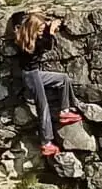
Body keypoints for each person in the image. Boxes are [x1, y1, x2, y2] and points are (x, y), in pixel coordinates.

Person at [11, 11, 83, 158]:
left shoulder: (21, 34)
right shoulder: (36, 44)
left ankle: (64, 111)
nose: (42, 32)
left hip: (34, 74)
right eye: (40, 30)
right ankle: (46, 143)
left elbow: (16, 17)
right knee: (43, 107)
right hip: (32, 77)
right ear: (33, 29)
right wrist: (51, 31)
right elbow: (48, 45)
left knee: (64, 79)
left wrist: (31, 12)